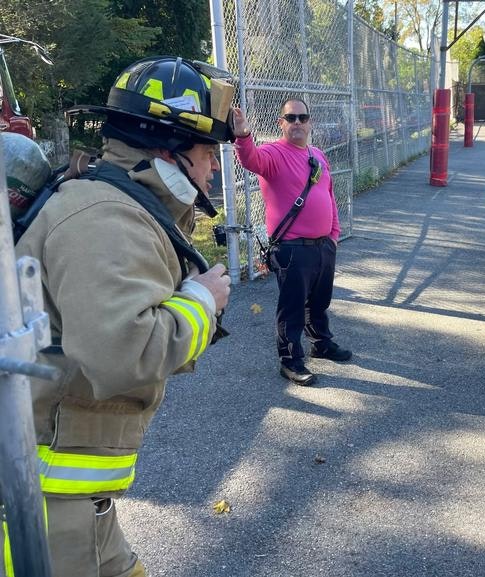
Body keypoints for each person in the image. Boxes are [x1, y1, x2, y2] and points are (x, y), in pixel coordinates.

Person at [12, 56, 234, 577]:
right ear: (170, 149)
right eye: (208, 152)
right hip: (46, 500)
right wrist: (202, 301)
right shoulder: (106, 218)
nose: (214, 168)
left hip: (75, 497)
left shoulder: (116, 206)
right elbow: (123, 353)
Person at [232, 100, 351, 386]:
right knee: (293, 307)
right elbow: (250, 160)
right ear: (281, 123)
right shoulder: (273, 153)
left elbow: (329, 195)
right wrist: (243, 135)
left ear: (310, 122)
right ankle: (290, 360)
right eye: (291, 117)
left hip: (323, 245)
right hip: (293, 248)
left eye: (303, 117)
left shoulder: (318, 155)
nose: (297, 122)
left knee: (319, 302)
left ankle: (321, 343)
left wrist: (333, 234)